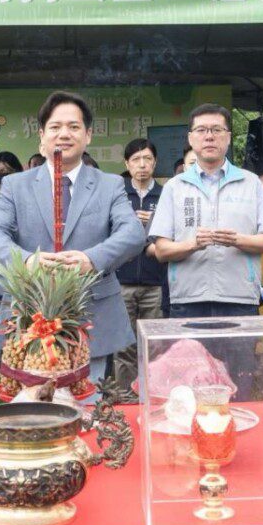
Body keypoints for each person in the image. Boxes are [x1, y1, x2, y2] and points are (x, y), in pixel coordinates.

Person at [0, 91, 144, 386]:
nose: (64, 134)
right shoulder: (15, 185)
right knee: (31, 405)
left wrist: (91, 259)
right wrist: (27, 261)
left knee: (87, 400)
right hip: (29, 314)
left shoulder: (109, 185)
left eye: (73, 126)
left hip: (91, 315)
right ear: (42, 136)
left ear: (88, 135)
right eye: (55, 127)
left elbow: (133, 233)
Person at [150, 104, 263, 318]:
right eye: (201, 130)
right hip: (187, 298)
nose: (209, 137)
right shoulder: (175, 187)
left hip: (240, 297)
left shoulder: (251, 182)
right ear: (191, 139)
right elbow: (161, 251)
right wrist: (194, 244)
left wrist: (236, 240)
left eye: (217, 130)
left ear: (228, 137)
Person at [113, 138, 167, 393]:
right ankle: (124, 398)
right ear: (127, 164)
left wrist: (153, 224)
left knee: (154, 345)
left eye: (147, 159)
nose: (142, 165)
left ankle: (153, 396)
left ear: (155, 162)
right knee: (123, 345)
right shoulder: (118, 195)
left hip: (155, 281)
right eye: (136, 159)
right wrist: (130, 223)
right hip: (122, 281)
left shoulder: (166, 194)